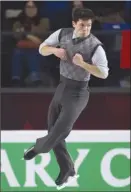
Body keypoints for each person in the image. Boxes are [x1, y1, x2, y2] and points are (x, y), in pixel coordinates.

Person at [23, 8, 109, 189]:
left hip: (79, 92)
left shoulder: (95, 46)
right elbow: (41, 49)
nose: (86, 29)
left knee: (59, 130)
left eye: (89, 25)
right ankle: (67, 170)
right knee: (54, 129)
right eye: (82, 25)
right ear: (74, 24)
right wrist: (55, 50)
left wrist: (84, 64)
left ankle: (39, 148)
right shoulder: (62, 33)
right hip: (62, 87)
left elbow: (104, 73)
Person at [11, 1, 50, 87]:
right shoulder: (18, 22)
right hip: (22, 50)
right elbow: (16, 36)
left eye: (33, 7)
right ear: (24, 9)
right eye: (28, 7)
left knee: (32, 53)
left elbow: (40, 41)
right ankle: (16, 79)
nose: (30, 9)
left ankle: (35, 78)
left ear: (37, 8)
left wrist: (26, 34)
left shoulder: (44, 21)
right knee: (17, 52)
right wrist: (30, 36)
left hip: (40, 51)